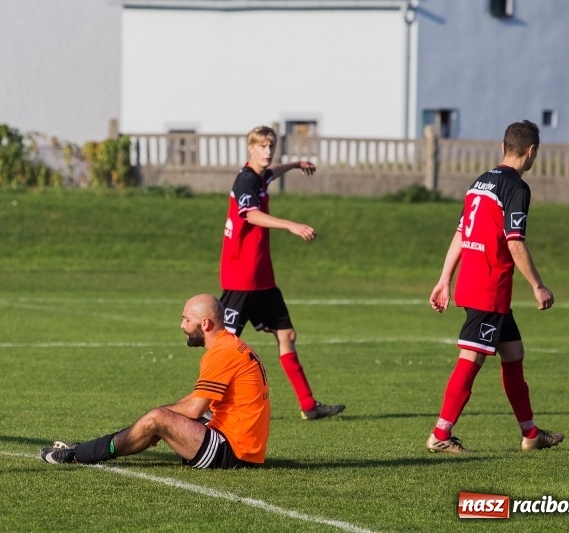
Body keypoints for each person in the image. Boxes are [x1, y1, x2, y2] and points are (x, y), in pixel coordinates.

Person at [426, 120, 563, 453]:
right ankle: (440, 435)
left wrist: (445, 279)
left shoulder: (481, 182)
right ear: (531, 152)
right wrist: (538, 286)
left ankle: (530, 434)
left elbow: (461, 233)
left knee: (513, 354)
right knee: (470, 359)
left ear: (503, 147)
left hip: (480, 285)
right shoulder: (516, 187)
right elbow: (515, 243)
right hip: (489, 286)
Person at [40, 294, 270, 469]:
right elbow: (199, 400)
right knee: (158, 419)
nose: (182, 326)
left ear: (205, 324)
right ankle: (89, 447)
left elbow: (195, 408)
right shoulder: (229, 344)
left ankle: (78, 454)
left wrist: (158, 418)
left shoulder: (221, 352)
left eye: (187, 320)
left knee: (158, 418)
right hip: (241, 446)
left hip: (233, 453)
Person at [219, 125, 344, 421]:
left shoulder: (261, 175)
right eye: (262, 146)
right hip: (241, 278)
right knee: (225, 348)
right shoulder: (247, 180)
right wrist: (290, 225)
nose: (267, 151)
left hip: (262, 278)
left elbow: (273, 170)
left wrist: (296, 164)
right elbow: (249, 215)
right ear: (250, 148)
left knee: (287, 334)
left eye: (271, 146)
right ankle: (207, 409)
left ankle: (308, 405)